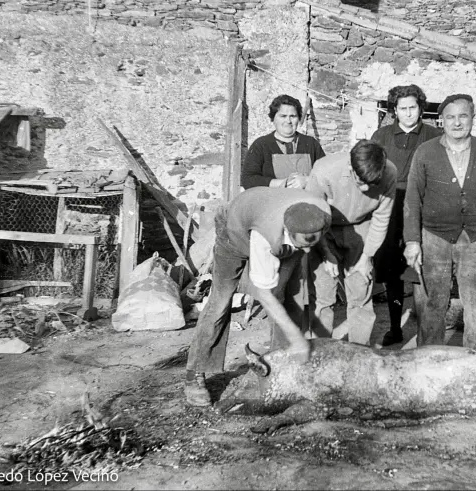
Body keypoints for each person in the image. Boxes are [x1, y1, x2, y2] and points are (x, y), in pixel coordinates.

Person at [184, 187, 331, 407]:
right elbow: (265, 296)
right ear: (289, 234)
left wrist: (326, 253)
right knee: (221, 302)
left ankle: (281, 370)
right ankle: (194, 373)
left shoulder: (321, 212)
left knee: (286, 298)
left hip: (268, 221)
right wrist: (298, 338)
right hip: (234, 232)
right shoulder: (266, 236)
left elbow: (311, 242)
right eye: (303, 245)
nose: (308, 252)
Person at [403, 93, 476, 354]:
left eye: (463, 116)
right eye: (450, 117)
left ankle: (474, 363)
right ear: (441, 121)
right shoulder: (426, 152)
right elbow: (411, 200)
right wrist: (412, 241)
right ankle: (428, 363)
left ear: (472, 119)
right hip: (434, 238)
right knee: (432, 303)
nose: (457, 123)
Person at [305, 139, 397, 345]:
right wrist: (326, 253)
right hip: (325, 229)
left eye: (372, 183)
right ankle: (321, 351)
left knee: (361, 293)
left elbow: (381, 219)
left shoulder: (390, 172)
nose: (365, 188)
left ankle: (358, 352)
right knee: (323, 295)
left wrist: (367, 257)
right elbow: (312, 217)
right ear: (350, 167)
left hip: (363, 228)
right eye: (360, 181)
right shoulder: (324, 170)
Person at [370, 84, 442, 346]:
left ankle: (427, 333)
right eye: (403, 109)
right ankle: (394, 327)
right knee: (392, 271)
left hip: (424, 207)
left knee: (423, 267)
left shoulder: (434, 136)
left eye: (413, 107)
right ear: (395, 111)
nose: (409, 113)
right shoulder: (382, 135)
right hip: (390, 209)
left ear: (421, 109)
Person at [242, 94, 326, 190]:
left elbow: (327, 175)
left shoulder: (311, 143)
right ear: (273, 119)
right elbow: (247, 179)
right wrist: (283, 183)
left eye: (293, 116)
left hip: (307, 201)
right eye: (283, 116)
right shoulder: (261, 145)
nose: (288, 121)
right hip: (274, 202)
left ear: (298, 119)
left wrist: (307, 180)